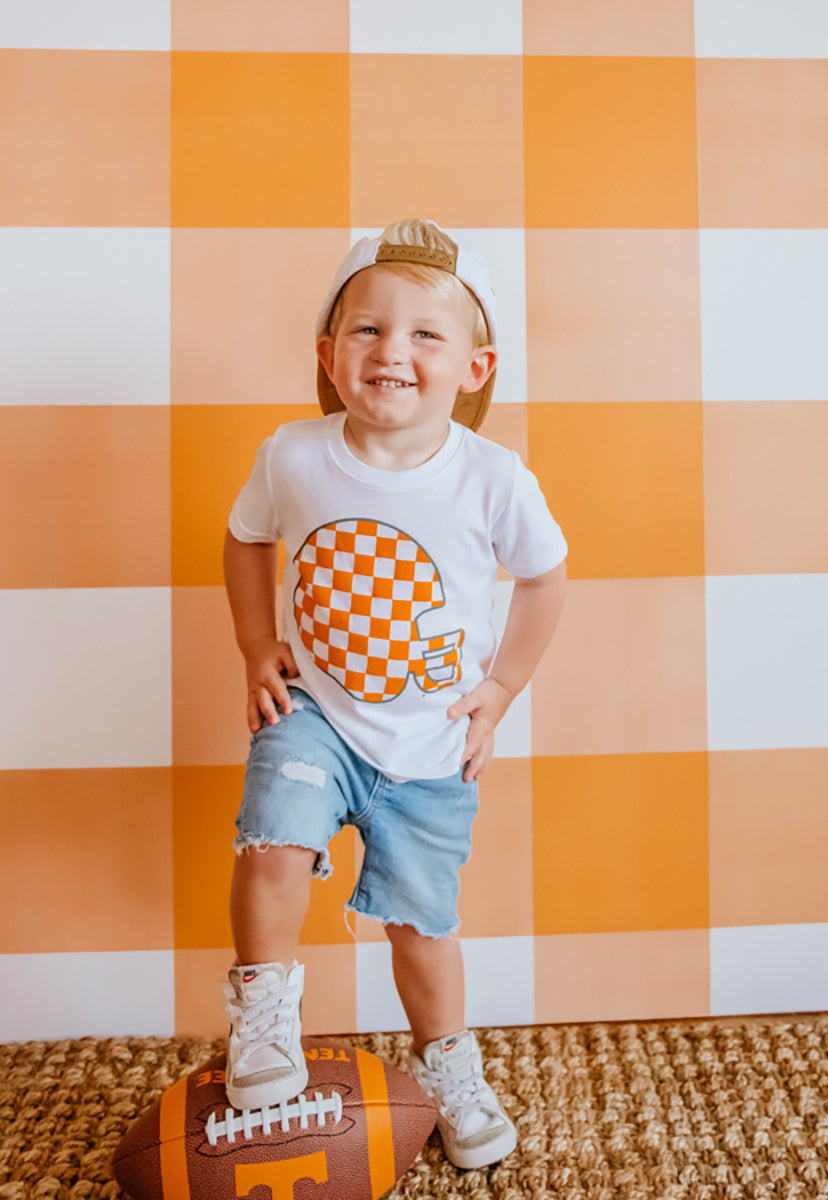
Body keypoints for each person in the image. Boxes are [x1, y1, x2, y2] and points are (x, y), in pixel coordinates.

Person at [222, 218, 567, 1169]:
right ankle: (263, 1012)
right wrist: (258, 644)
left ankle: (451, 1067)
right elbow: (248, 538)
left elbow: (545, 579)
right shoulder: (293, 454)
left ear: (475, 365)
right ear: (330, 355)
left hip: (429, 748)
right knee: (274, 838)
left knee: (421, 927)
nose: (393, 352)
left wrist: (499, 690)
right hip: (319, 717)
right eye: (367, 330)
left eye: (426, 335)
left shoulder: (492, 479)